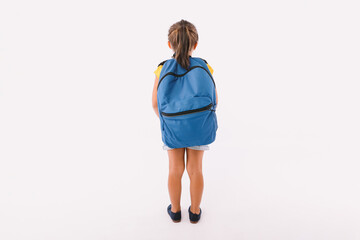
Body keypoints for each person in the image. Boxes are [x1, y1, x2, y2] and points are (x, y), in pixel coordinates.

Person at [151, 19, 218, 223]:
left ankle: (176, 210)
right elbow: (215, 100)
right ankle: (195, 212)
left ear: (169, 44)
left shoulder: (162, 68)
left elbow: (155, 103)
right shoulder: (205, 66)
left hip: (173, 127)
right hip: (199, 126)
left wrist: (168, 122)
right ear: (195, 45)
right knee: (195, 169)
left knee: (175, 169)